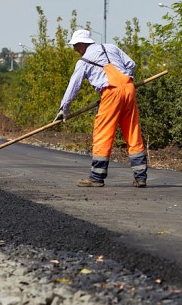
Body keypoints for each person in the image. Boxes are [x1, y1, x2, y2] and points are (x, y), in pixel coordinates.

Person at [55, 29, 147, 188]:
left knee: (103, 133)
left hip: (111, 93)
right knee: (132, 131)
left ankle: (96, 177)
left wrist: (64, 108)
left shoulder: (84, 61)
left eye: (76, 46)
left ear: (82, 44)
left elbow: (73, 87)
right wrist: (124, 82)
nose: (75, 50)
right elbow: (131, 64)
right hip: (128, 88)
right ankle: (141, 177)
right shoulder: (111, 47)